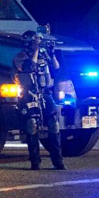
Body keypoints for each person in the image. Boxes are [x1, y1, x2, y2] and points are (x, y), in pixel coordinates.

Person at [13, 31, 66, 170]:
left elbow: (56, 68)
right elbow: (29, 67)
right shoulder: (20, 57)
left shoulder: (43, 54)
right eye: (35, 41)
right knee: (32, 125)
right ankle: (35, 161)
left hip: (45, 94)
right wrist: (36, 50)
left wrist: (52, 53)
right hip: (29, 94)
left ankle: (58, 161)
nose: (38, 44)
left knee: (54, 124)